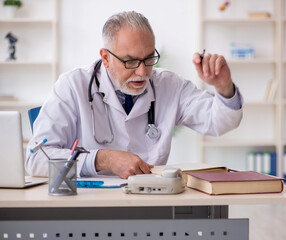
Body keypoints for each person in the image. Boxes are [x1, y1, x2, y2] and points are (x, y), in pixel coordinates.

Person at [26, 11, 243, 179]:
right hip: (88, 204)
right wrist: (102, 159)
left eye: (149, 59)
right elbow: (36, 159)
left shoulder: (169, 85)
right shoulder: (72, 86)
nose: (142, 72)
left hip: (148, 203)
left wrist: (224, 87)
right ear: (105, 57)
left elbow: (219, 123)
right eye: (130, 61)